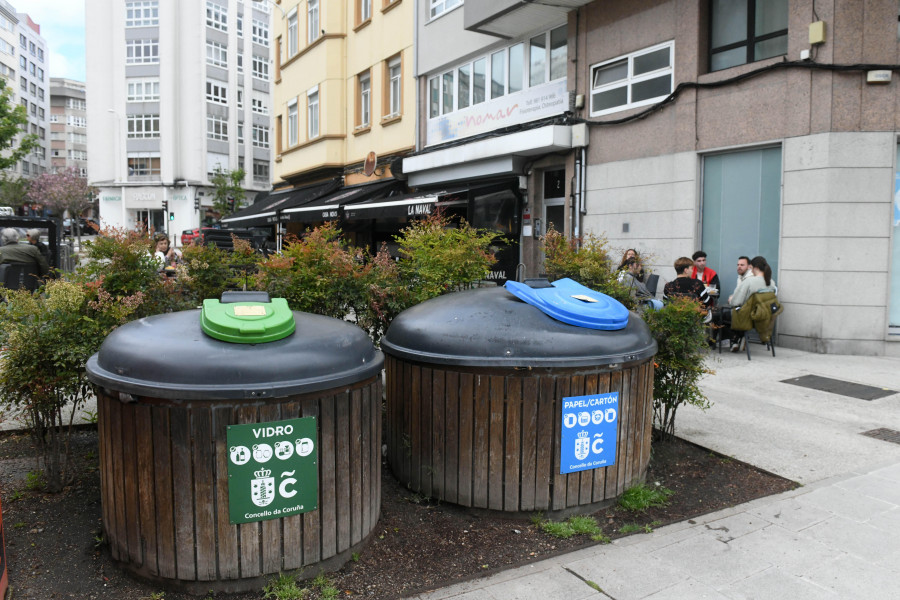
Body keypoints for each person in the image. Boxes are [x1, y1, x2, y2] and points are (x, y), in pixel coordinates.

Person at [728, 256, 777, 352]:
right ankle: (739, 338)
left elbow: (736, 302)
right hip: (765, 317)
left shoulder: (749, 281)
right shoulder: (771, 282)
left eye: (751, 267)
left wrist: (731, 300)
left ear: (755, 268)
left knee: (724, 315)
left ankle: (736, 339)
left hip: (749, 318)